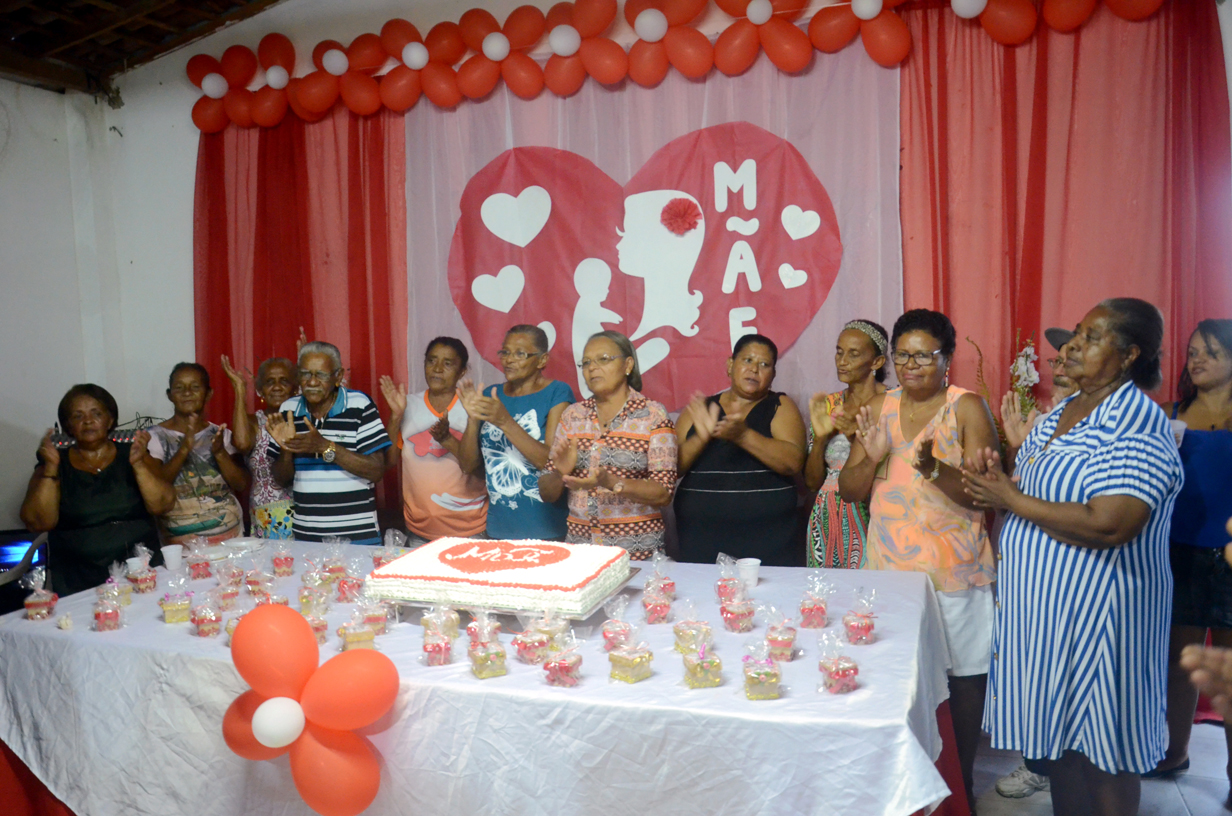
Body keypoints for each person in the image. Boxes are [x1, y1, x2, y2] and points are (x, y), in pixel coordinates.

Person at [963, 298, 1183, 816]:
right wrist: (996, 482)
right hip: (1048, 619)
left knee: (1104, 754)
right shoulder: (1063, 412)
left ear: (1130, 355)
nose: (1073, 347)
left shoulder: (1133, 422)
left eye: (1092, 337)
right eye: (1077, 334)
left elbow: (1111, 523)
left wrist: (1010, 498)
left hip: (1102, 620)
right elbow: (1037, 493)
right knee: (1058, 748)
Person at [839, 309, 1000, 811]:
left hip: (955, 572)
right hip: (888, 574)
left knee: (963, 681)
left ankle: (960, 784)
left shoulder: (966, 407)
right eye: (902, 355)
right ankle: (902, 783)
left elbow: (986, 493)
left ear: (946, 358)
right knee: (893, 676)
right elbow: (849, 491)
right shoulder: (879, 405)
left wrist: (932, 468)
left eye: (923, 356)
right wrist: (870, 456)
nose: (910, 365)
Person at [993, 326, 1077, 800]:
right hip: (1030, 575)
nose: (1058, 367)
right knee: (1037, 674)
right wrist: (1019, 448)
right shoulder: (1047, 421)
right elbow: (1018, 492)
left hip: (1068, 573)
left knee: (1063, 679)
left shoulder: (1102, 425)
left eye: (1069, 358)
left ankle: (1062, 770)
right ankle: (1040, 763)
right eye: (1056, 360)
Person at [1150, 320, 1232, 783]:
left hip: (1231, 555)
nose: (1197, 360)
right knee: (1180, 663)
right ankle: (1174, 752)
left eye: (1211, 352)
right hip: (1179, 552)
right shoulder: (1169, 413)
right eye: (1193, 352)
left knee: (1229, 672)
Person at [20, 384, 174, 595]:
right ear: (68, 426)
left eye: (96, 414)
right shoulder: (54, 461)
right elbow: (38, 522)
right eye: (78, 416)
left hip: (140, 573)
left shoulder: (133, 453)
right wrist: (51, 469)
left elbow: (163, 505)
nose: (88, 421)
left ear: (110, 420)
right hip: (78, 580)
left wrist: (138, 465)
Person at [538, 331, 677, 558]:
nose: (592, 368)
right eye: (586, 363)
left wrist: (612, 482)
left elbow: (663, 493)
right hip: (582, 552)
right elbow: (546, 493)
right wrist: (559, 473)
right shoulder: (573, 416)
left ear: (627, 365)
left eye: (603, 359)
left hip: (636, 554)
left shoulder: (652, 415)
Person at [674, 334, 806, 566]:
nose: (754, 369)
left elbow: (793, 462)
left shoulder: (780, 406)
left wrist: (743, 436)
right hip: (701, 539)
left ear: (773, 375)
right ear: (730, 365)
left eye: (764, 364)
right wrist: (701, 438)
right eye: (747, 360)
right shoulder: (702, 409)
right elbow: (672, 469)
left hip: (769, 541)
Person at [456, 325, 574, 541]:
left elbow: (552, 462)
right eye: (505, 352)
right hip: (498, 529)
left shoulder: (557, 392)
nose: (509, 360)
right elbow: (467, 465)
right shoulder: (491, 394)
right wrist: (473, 420)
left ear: (542, 360)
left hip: (545, 531)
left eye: (520, 354)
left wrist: (505, 421)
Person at [267, 342, 392, 546]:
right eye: (305, 374)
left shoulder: (359, 405)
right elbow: (282, 479)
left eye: (321, 375)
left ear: (338, 376)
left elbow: (376, 470)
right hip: (307, 538)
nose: (312, 382)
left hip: (358, 537)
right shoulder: (289, 409)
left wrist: (325, 446)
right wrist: (287, 449)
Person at [380, 337, 487, 545]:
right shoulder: (407, 404)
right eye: (431, 361)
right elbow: (389, 461)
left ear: (462, 371)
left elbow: (477, 468)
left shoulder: (473, 406)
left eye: (448, 363)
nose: (437, 369)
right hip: (419, 531)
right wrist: (395, 417)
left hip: (470, 530)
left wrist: (450, 437)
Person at [804, 320, 888, 569]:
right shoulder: (830, 405)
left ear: (877, 362)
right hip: (826, 521)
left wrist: (855, 437)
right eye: (839, 352)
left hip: (873, 518)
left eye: (854, 354)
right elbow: (812, 483)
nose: (842, 361)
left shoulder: (893, 403)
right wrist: (821, 439)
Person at [146, 363, 249, 545]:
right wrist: (184, 448)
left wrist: (220, 453)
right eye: (179, 388)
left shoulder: (221, 434)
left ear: (208, 394)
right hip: (181, 546)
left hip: (230, 540)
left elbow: (241, 484)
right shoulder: (154, 437)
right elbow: (156, 489)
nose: (187, 393)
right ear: (170, 395)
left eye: (195, 387)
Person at [220, 354, 298, 539]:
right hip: (267, 516)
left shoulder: (304, 419)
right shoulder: (253, 421)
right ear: (260, 390)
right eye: (270, 382)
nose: (277, 387)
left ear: (295, 389)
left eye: (284, 381)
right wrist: (240, 390)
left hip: (305, 512)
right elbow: (241, 443)